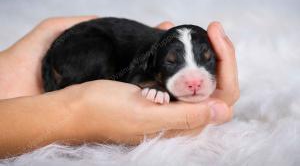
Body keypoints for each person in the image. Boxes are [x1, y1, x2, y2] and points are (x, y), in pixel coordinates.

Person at [0, 16, 239, 159]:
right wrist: (75, 112)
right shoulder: (147, 57)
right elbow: (137, 79)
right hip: (83, 46)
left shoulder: (160, 50)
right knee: (102, 58)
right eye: (171, 62)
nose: (194, 79)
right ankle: (71, 84)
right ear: (153, 62)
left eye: (205, 59)